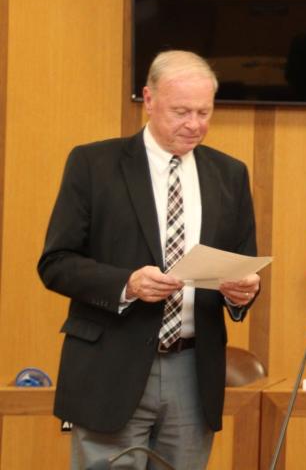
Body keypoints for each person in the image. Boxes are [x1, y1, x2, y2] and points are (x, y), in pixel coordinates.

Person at [38, 50, 262, 470]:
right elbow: (56, 262)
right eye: (181, 111)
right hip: (112, 366)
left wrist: (242, 291)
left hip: (194, 372)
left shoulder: (230, 173)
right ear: (149, 98)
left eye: (204, 112)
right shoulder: (93, 164)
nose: (194, 124)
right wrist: (127, 284)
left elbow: (241, 262)